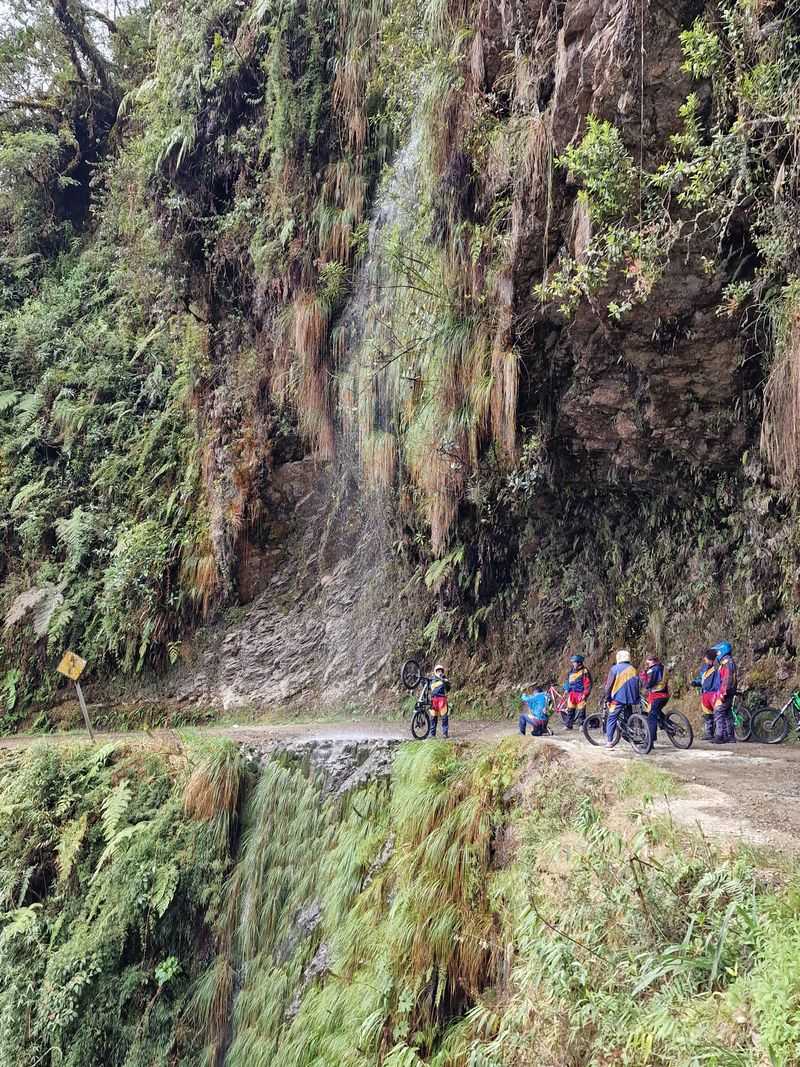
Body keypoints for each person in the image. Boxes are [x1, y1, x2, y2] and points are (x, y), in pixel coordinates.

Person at [604, 650, 640, 748]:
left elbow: (608, 686)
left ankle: (609, 741)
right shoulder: (633, 669)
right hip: (632, 698)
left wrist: (607, 698)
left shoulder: (614, 669)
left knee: (611, 718)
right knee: (629, 718)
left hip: (618, 699)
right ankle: (632, 736)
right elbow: (637, 684)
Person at [712, 641, 737, 744]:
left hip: (726, 692)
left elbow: (727, 679)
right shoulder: (727, 662)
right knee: (727, 713)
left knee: (719, 712)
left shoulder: (727, 663)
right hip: (728, 691)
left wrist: (722, 693)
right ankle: (730, 736)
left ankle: (719, 736)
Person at [640, 654, 669, 744]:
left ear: (651, 661)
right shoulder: (663, 667)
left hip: (657, 695)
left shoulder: (653, 670)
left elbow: (648, 684)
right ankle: (667, 724)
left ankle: (650, 741)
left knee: (651, 718)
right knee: (657, 711)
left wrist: (643, 677)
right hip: (665, 694)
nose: (646, 663)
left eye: (648, 661)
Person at [690, 649, 719, 741]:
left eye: (706, 658)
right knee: (707, 714)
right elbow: (702, 680)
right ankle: (709, 733)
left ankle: (719, 734)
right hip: (705, 693)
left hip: (714, 693)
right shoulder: (705, 668)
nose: (704, 659)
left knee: (718, 714)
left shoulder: (717, 667)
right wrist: (695, 682)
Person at [563, 654, 593, 730]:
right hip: (572, 693)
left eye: (574, 662)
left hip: (580, 693)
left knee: (581, 710)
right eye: (573, 662)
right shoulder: (571, 671)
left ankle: (581, 725)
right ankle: (568, 725)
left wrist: (585, 693)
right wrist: (566, 688)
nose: (573, 664)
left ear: (579, 663)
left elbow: (588, 683)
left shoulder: (584, 671)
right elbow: (567, 681)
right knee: (570, 709)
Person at [429, 664, 450, 738]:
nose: (439, 672)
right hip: (434, 700)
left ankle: (445, 733)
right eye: (438, 671)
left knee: (444, 717)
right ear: (435, 671)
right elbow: (429, 687)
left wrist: (446, 682)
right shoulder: (432, 679)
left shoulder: (444, 679)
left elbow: (448, 689)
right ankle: (432, 734)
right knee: (433, 718)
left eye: (440, 670)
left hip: (442, 700)